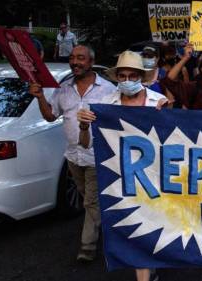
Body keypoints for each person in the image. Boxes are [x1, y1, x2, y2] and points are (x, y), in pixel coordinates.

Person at [76, 50, 168, 281]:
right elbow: (86, 145)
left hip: (155, 176)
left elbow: (177, 139)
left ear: (141, 77)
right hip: (120, 178)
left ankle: (151, 266)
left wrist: (168, 116)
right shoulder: (106, 105)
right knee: (136, 226)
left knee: (153, 224)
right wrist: (84, 126)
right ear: (117, 77)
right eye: (122, 76)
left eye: (133, 76)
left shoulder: (158, 102)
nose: (127, 81)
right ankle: (145, 274)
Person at [28, 45, 116, 262]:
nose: (75, 62)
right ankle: (107, 224)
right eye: (72, 58)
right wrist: (39, 97)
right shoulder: (64, 88)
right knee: (88, 198)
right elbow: (50, 116)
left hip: (98, 156)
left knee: (90, 202)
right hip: (73, 157)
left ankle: (87, 248)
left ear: (91, 61)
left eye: (81, 58)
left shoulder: (108, 89)